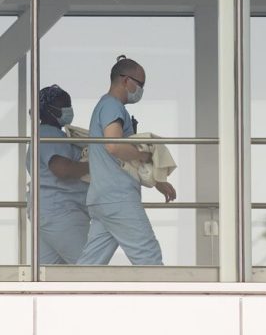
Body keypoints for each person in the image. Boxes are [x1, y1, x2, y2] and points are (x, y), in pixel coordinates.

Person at [77, 55, 177, 266]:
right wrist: (143, 154)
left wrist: (158, 181)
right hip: (118, 198)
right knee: (149, 257)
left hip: (102, 198)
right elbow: (113, 145)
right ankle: (163, 299)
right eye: (140, 84)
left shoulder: (105, 106)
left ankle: (65, 298)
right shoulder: (112, 106)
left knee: (89, 265)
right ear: (125, 80)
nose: (141, 90)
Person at [26, 85, 90, 264]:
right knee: (91, 269)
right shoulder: (48, 135)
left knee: (51, 277)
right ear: (47, 109)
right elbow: (62, 169)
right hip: (62, 214)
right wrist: (96, 165)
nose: (68, 110)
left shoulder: (46, 135)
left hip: (48, 214)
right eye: (63, 105)